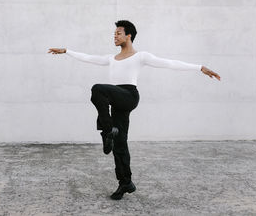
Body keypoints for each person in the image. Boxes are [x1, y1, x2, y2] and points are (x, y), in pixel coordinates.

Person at [47, 20, 221, 200]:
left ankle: (106, 132)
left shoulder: (141, 56)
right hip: (116, 100)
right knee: (120, 144)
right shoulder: (111, 58)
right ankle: (125, 182)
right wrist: (67, 51)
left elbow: (169, 63)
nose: (115, 36)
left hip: (129, 96)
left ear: (128, 36)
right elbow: (88, 57)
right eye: (114, 33)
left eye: (118, 33)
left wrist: (199, 67)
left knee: (97, 89)